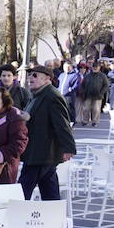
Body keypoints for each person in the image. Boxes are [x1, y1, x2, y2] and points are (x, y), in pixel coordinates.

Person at [18, 66, 77, 200]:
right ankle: (54, 218)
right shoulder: (38, 95)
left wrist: (69, 148)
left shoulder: (51, 96)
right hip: (39, 152)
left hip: (42, 152)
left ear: (47, 79)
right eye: (29, 75)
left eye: (35, 75)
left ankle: (15, 214)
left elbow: (62, 124)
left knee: (22, 191)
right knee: (49, 191)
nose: (30, 78)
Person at [77, 62, 109, 126]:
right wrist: (83, 92)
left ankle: (95, 121)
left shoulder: (103, 76)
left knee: (96, 109)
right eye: (94, 67)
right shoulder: (88, 75)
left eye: (96, 67)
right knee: (86, 108)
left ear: (99, 68)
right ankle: (85, 121)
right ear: (92, 67)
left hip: (98, 96)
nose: (95, 68)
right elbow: (83, 85)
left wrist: (101, 93)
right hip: (88, 95)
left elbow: (106, 85)